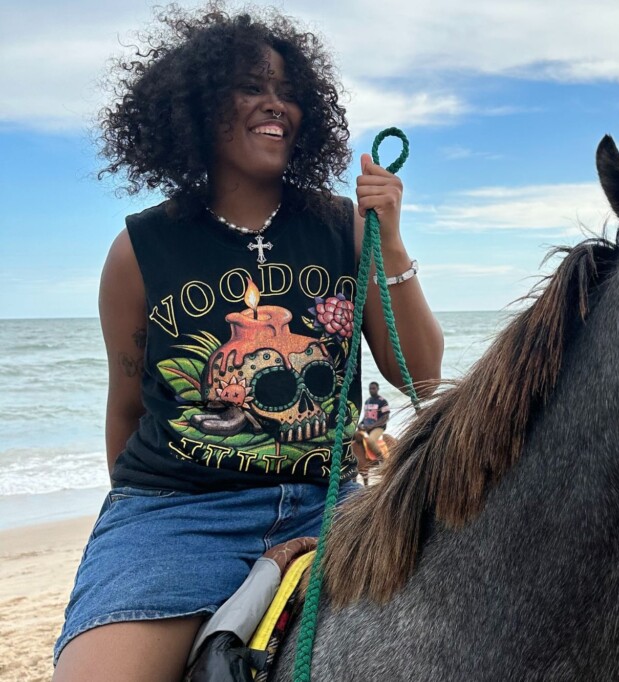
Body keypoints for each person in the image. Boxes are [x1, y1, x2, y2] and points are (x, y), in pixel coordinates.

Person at [52, 6, 444, 681]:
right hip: (179, 516)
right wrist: (143, 531)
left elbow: (421, 375)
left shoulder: (343, 227)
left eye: (288, 91)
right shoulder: (138, 252)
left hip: (330, 506)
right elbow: (125, 409)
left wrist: (391, 239)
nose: (276, 105)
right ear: (200, 106)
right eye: (251, 87)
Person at [352, 381, 390, 484]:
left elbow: (385, 417)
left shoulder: (382, 401)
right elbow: (366, 416)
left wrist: (372, 426)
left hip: (378, 428)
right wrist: (360, 424)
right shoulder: (368, 401)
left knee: (371, 440)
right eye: (370, 388)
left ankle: (382, 460)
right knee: (352, 437)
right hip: (367, 427)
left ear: (377, 389)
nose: (371, 390)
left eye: (373, 388)